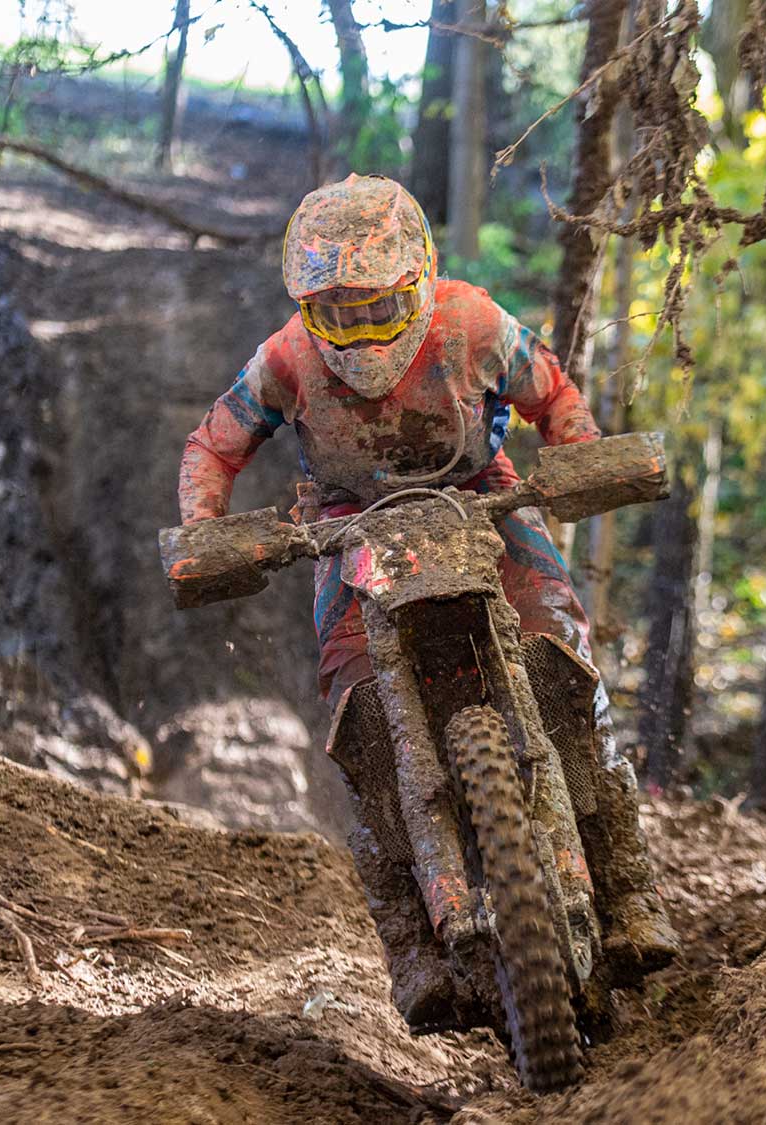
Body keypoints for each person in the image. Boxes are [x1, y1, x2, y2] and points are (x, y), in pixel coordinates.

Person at [177, 173, 677, 1017]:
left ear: (419, 281)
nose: (362, 332)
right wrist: (204, 527)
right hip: (349, 527)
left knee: (563, 655)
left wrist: (584, 455)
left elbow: (550, 393)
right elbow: (213, 444)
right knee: (359, 717)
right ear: (307, 310)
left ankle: (627, 887)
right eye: (339, 313)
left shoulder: (472, 322)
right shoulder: (286, 359)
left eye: (377, 308)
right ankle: (411, 942)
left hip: (481, 495)